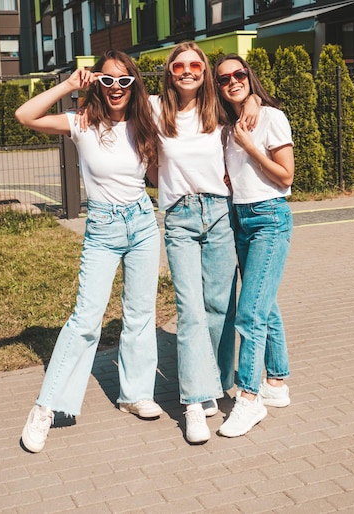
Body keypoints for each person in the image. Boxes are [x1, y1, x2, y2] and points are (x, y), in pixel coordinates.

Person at [15, 50, 162, 454]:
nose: (116, 88)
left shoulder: (145, 118)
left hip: (143, 224)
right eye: (108, 80)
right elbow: (25, 116)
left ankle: (135, 393)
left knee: (139, 313)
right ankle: (45, 408)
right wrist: (67, 85)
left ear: (134, 85)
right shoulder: (81, 122)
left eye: (124, 81)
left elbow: (195, 104)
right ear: (97, 82)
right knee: (85, 320)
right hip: (103, 228)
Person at [148, 42, 242, 445]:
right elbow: (112, 99)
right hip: (180, 218)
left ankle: (217, 386)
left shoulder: (219, 110)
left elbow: (249, 97)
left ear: (204, 72)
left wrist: (252, 102)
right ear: (169, 72)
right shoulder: (154, 109)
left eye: (196, 65)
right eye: (179, 65)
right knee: (190, 311)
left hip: (220, 212)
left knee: (221, 307)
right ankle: (194, 402)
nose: (187, 71)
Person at [213, 53, 294, 438]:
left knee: (249, 313)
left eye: (238, 74)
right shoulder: (228, 127)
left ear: (249, 76)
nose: (232, 81)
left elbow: (285, 176)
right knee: (265, 304)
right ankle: (276, 384)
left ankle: (249, 398)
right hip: (240, 219)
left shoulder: (270, 118)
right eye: (224, 78)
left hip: (269, 219)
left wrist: (250, 146)